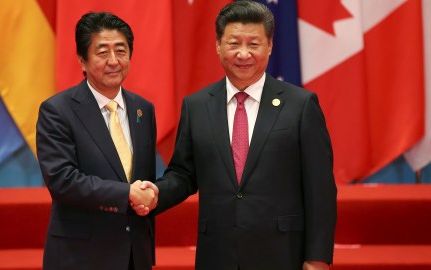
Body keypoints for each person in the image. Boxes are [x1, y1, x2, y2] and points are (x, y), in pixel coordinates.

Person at [150, 1, 337, 269]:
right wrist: (154, 192)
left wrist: (318, 258)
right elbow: (184, 174)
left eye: (254, 44)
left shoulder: (301, 105)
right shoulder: (197, 105)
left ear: (270, 46)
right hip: (217, 254)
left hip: (282, 254)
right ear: (218, 45)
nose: (243, 53)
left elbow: (320, 189)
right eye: (234, 43)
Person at [36, 11, 158, 270]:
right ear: (82, 60)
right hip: (81, 255)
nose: (113, 61)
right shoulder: (58, 110)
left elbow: (142, 176)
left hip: (135, 254)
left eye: (121, 51)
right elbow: (62, 180)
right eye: (103, 52)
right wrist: (127, 194)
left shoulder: (142, 109)